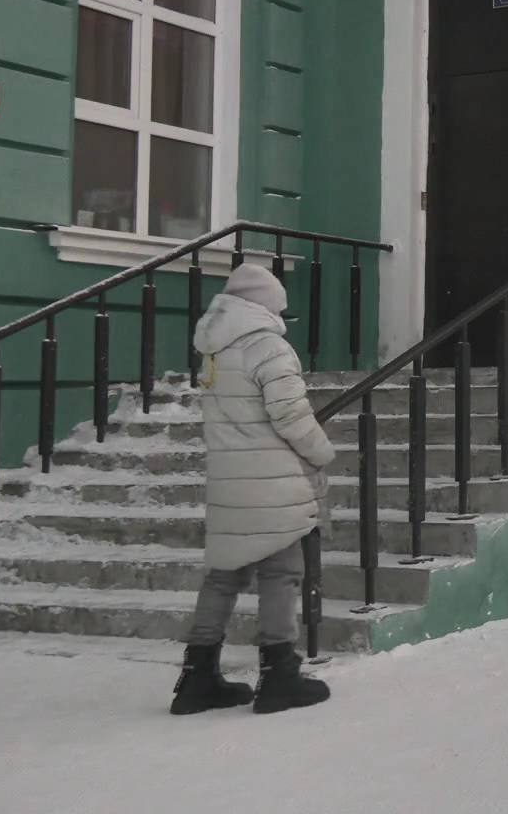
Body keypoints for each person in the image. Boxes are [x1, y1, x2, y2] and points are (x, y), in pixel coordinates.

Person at [170, 263, 335, 715]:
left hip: (229, 479)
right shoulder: (268, 347)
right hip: (272, 479)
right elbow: (291, 416)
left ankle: (197, 676)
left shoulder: (213, 350)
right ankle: (279, 676)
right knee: (281, 573)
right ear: (267, 306)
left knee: (223, 576)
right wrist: (322, 453)